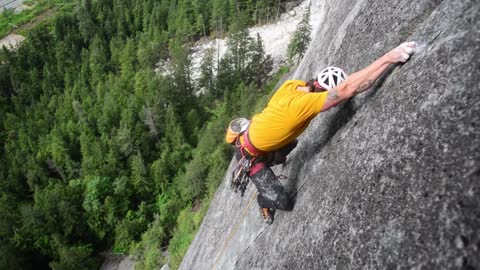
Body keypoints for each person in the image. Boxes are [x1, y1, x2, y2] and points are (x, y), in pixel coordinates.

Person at [227, 41, 416, 224]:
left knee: (292, 143)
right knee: (283, 201)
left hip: (253, 133)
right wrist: (390, 57)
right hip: (250, 155)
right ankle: (264, 199)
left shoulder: (293, 86)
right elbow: (349, 88)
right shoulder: (303, 106)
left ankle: (273, 156)